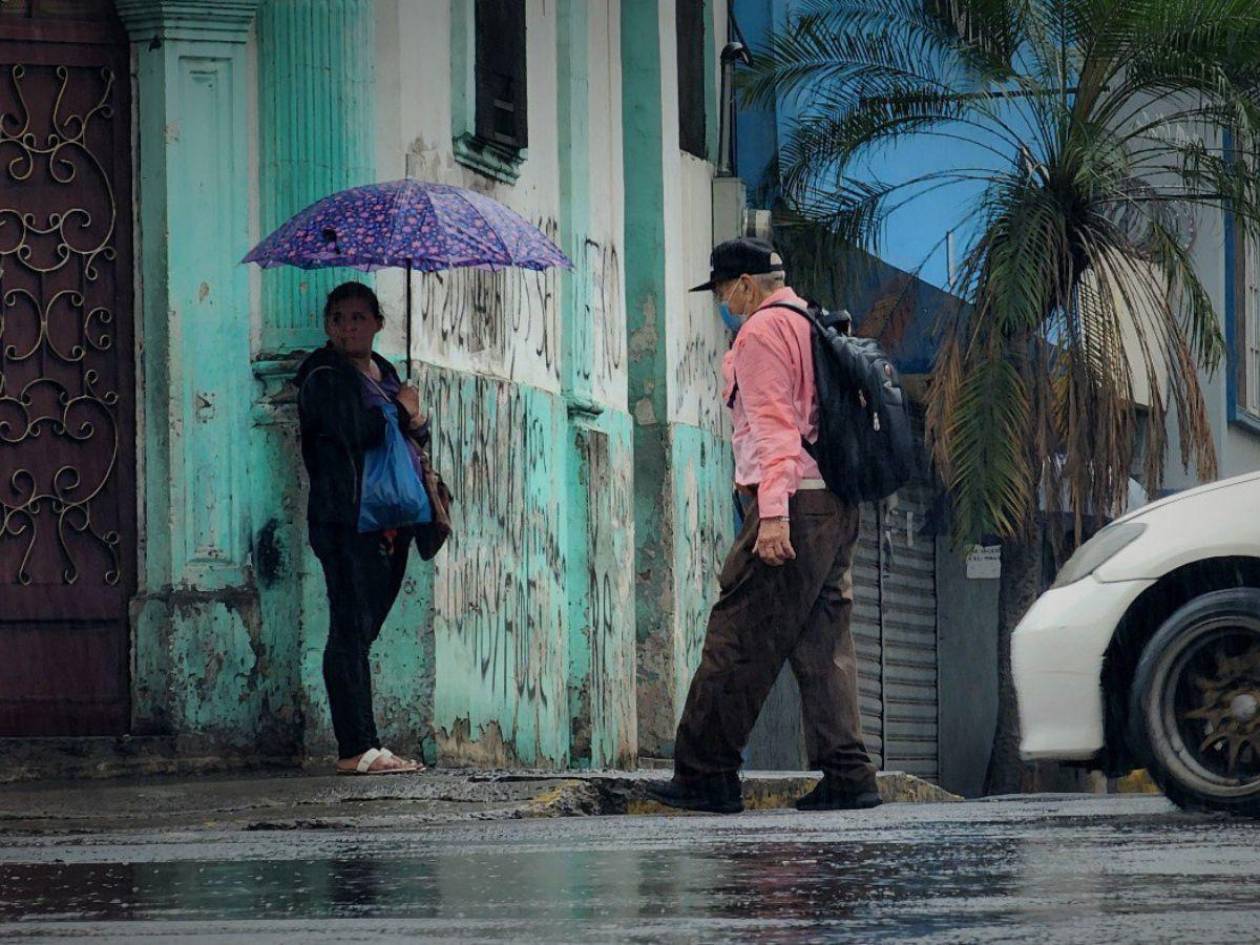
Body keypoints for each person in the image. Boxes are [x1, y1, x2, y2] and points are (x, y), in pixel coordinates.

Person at [648, 238, 880, 814]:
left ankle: (706, 774)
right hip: (834, 501)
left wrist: (772, 516)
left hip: (792, 503)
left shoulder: (760, 334)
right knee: (824, 643)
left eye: (724, 291)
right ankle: (849, 775)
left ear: (746, 284)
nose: (723, 302)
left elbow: (777, 430)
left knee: (737, 636)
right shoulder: (811, 322)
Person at [294, 281, 428, 776]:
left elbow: (413, 437)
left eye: (357, 317)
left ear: (378, 322)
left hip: (389, 525)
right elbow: (355, 431)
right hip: (344, 521)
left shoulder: (386, 374)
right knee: (348, 630)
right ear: (329, 327)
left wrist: (413, 415)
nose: (348, 327)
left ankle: (367, 745)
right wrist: (398, 410)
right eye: (338, 319)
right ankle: (357, 749)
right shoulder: (322, 376)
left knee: (362, 633)